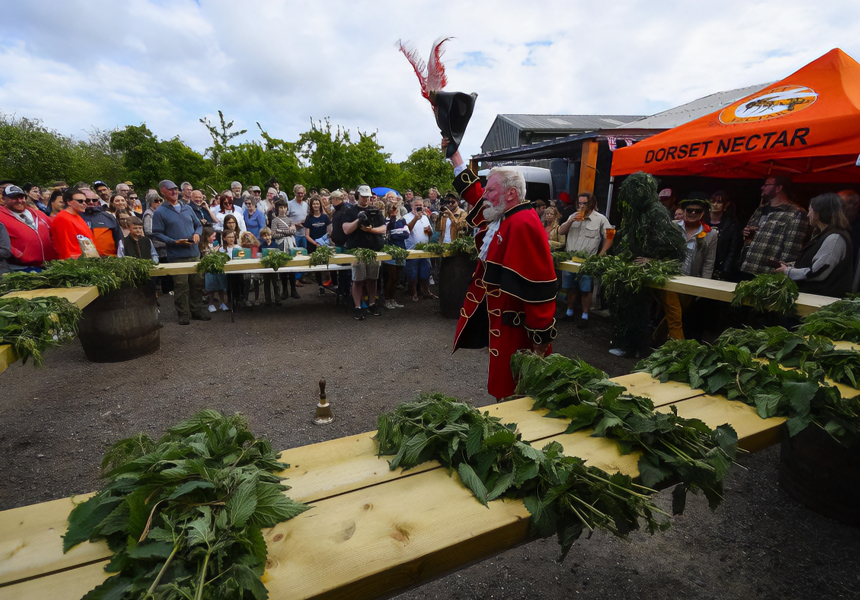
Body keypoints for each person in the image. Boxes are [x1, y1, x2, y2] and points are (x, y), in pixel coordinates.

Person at [446, 141, 558, 400]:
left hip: (517, 328)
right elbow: (476, 194)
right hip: (501, 319)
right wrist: (455, 157)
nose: (485, 194)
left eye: (491, 189)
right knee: (504, 380)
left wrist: (540, 337)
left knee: (519, 387)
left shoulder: (523, 224)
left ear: (510, 194)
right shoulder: (504, 214)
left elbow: (538, 286)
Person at [151, 179, 210, 325]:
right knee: (181, 286)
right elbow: (156, 233)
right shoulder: (160, 212)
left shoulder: (187, 208)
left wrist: (197, 233)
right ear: (163, 191)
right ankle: (183, 313)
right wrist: (173, 241)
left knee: (197, 283)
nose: (174, 192)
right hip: (177, 255)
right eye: (170, 189)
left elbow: (198, 225)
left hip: (193, 252)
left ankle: (197, 310)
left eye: (176, 189)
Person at [660, 194, 718, 340]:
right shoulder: (672, 227)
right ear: (683, 211)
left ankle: (658, 338)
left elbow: (709, 262)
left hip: (691, 281)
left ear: (702, 214)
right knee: (674, 314)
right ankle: (677, 346)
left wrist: (704, 287)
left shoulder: (710, 234)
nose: (692, 213)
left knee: (678, 313)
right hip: (670, 278)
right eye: (689, 210)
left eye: (697, 211)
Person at [776, 193, 853, 297]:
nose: (808, 215)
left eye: (810, 211)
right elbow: (813, 264)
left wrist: (788, 272)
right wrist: (790, 266)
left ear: (820, 212)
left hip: (821, 300)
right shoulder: (823, 235)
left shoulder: (834, 238)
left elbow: (819, 273)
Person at [557, 192, 613, 328]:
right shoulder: (572, 216)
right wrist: (570, 221)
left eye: (584, 203)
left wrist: (601, 254)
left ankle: (585, 316)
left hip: (587, 261)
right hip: (570, 260)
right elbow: (560, 231)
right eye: (579, 203)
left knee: (586, 289)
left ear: (591, 203)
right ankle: (569, 312)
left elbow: (610, 235)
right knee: (570, 287)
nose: (581, 206)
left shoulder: (600, 219)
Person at [740, 176, 808, 277]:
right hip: (747, 268)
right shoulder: (761, 209)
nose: (762, 187)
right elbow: (750, 236)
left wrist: (781, 273)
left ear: (778, 188)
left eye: (767, 185)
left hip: (767, 274)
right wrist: (745, 233)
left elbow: (792, 249)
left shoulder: (795, 212)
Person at [342, 184, 386, 320]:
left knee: (373, 279)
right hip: (357, 250)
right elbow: (346, 229)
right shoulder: (350, 211)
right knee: (358, 279)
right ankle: (357, 306)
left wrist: (370, 230)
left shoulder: (375, 211)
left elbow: (384, 228)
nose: (365, 200)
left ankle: (372, 303)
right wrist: (358, 220)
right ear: (357, 196)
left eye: (367, 197)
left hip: (373, 250)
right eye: (363, 197)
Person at [0, 184, 57, 270]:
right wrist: (17, 254)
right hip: (17, 268)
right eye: (14, 198)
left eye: (22, 197)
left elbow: (55, 232)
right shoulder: (1, 216)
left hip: (47, 265)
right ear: (4, 199)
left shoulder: (38, 214)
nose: (19, 201)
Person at [706, 190, 742, 281]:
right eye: (713, 201)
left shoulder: (732, 224)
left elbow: (732, 251)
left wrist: (725, 271)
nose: (715, 204)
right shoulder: (702, 220)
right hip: (703, 261)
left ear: (726, 205)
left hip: (719, 265)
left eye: (719, 202)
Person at [51, 187, 95, 260]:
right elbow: (66, 247)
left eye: (85, 201)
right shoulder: (62, 218)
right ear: (69, 202)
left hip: (86, 260)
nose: (84, 204)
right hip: (74, 264)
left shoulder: (78, 217)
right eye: (80, 201)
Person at [404, 197, 434, 301]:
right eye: (416, 205)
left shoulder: (425, 217)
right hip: (412, 249)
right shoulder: (406, 217)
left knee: (425, 271)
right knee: (413, 273)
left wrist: (429, 231)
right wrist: (415, 219)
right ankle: (414, 292)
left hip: (424, 249)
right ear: (412, 206)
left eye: (420, 205)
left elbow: (430, 234)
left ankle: (426, 291)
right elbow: (406, 231)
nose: (419, 207)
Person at [382, 199, 409, 309]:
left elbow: (406, 234)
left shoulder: (402, 220)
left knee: (397, 278)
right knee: (391, 277)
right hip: (390, 251)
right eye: (392, 210)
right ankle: (386, 299)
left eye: (396, 209)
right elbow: (388, 234)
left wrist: (395, 234)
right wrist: (397, 233)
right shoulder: (386, 221)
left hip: (401, 250)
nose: (395, 211)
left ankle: (392, 299)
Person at [303, 196, 332, 296]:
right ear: (311, 206)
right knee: (317, 267)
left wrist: (326, 242)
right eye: (314, 204)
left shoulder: (325, 217)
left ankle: (329, 283)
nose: (316, 205)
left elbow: (329, 231)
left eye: (317, 203)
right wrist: (316, 243)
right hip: (313, 245)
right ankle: (320, 286)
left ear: (320, 205)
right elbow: (306, 235)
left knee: (327, 265)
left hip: (324, 245)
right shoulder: (309, 218)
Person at [81, 188, 122, 256]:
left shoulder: (108, 217)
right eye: (87, 200)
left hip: (109, 259)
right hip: (84, 260)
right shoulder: (76, 217)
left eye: (94, 200)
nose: (91, 202)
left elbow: (119, 240)